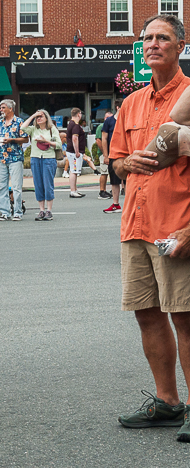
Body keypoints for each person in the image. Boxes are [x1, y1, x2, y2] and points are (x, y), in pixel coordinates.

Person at [110, 14, 190, 443]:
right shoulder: (132, 103)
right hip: (136, 226)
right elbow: (116, 162)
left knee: (186, 317)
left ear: (181, 46)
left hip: (177, 224)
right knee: (147, 315)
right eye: (147, 38)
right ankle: (168, 402)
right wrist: (127, 163)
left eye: (162, 38)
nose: (152, 44)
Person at [0, 99, 28, 221]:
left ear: (11, 109)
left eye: (3, 108)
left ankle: (17, 212)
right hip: (2, 157)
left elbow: (25, 138)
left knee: (16, 186)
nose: (1, 110)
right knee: (1, 186)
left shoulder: (19, 122)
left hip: (15, 157)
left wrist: (11, 140)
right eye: (0, 108)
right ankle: (5, 212)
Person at [21, 109, 61, 221]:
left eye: (41, 116)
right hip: (36, 158)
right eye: (37, 117)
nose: (39, 118)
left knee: (48, 184)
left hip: (49, 159)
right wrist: (33, 115)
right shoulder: (34, 129)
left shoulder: (52, 129)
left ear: (47, 118)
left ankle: (49, 210)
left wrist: (47, 142)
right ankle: (41, 210)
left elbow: (59, 144)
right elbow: (23, 127)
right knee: (38, 184)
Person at [102, 99, 125, 213]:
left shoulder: (128, 119)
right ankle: (116, 204)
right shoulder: (109, 121)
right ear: (118, 107)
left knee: (128, 181)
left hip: (126, 153)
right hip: (114, 154)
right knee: (114, 181)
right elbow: (104, 138)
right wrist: (106, 155)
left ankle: (131, 205)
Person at [66, 107, 87, 198]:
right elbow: (75, 138)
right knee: (73, 171)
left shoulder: (71, 123)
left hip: (72, 151)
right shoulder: (75, 125)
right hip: (74, 152)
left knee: (74, 170)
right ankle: (73, 191)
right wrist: (77, 151)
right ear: (78, 114)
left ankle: (75, 190)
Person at [96, 111, 114, 200]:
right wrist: (104, 153)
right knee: (104, 172)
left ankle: (110, 190)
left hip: (112, 153)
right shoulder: (101, 127)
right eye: (107, 117)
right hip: (105, 153)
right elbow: (98, 140)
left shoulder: (112, 125)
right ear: (104, 118)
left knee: (110, 172)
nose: (108, 119)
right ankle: (102, 191)